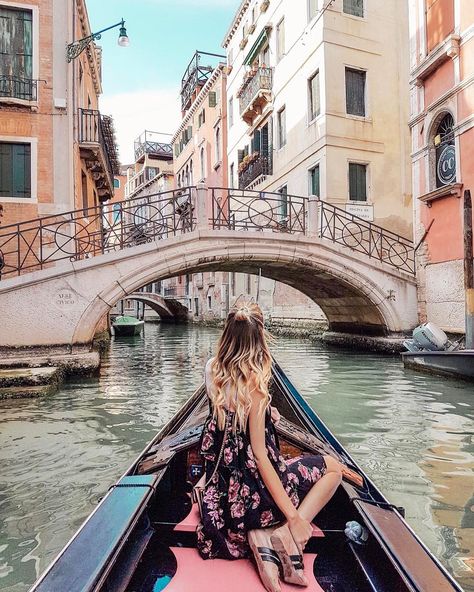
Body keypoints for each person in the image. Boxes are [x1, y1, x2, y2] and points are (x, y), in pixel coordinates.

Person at [196, 302, 343, 592]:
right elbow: (261, 458)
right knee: (333, 469)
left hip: (223, 497)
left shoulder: (212, 370)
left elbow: (227, 420)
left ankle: (263, 539)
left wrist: (266, 412)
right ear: (260, 337)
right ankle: (288, 534)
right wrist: (294, 516)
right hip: (254, 497)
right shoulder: (257, 385)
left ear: (227, 335)